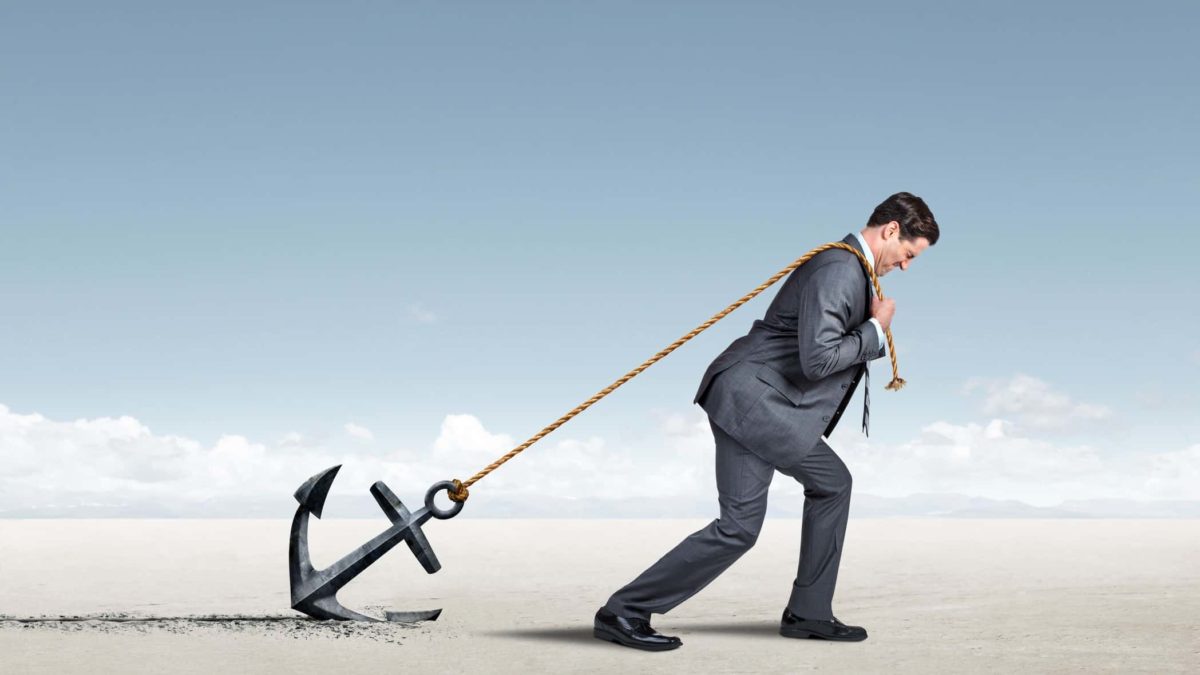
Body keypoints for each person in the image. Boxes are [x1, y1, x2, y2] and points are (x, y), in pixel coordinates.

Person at [593, 192, 940, 651]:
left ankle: (624, 612)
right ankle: (807, 612)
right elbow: (819, 360)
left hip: (745, 397)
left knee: (739, 527)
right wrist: (875, 330)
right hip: (757, 401)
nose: (906, 266)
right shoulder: (841, 268)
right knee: (832, 483)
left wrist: (870, 327)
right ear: (892, 230)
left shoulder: (847, 267)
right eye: (909, 254)